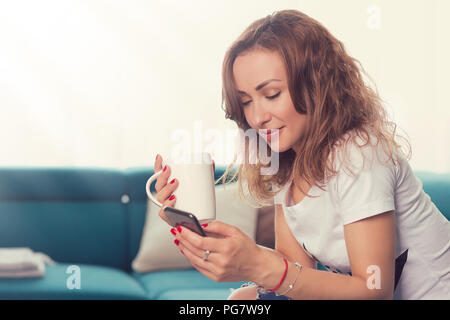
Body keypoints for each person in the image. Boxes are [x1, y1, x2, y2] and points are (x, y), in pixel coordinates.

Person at [152, 9, 450, 299]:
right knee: (244, 298)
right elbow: (296, 274)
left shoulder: (359, 152)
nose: (257, 118)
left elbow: (374, 291)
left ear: (316, 84)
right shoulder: (286, 163)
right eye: (245, 102)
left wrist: (256, 263)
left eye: (271, 95)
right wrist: (216, 244)